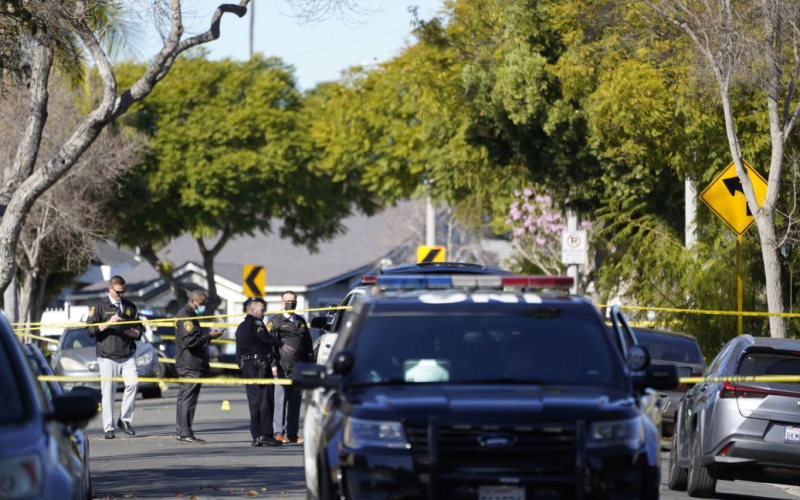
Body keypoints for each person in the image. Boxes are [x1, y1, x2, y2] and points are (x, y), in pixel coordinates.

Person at [86, 275, 144, 440]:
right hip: (108, 355)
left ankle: (124, 420)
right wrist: (109, 323)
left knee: (133, 384)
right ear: (110, 289)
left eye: (123, 292)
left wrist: (136, 333)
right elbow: (90, 331)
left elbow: (140, 328)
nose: (121, 295)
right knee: (108, 392)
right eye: (118, 292)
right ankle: (109, 427)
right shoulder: (99, 306)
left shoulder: (130, 306)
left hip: (127, 354)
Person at [174, 290, 223, 444]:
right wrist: (209, 336)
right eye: (201, 304)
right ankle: (185, 433)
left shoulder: (190, 315)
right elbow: (190, 342)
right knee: (188, 399)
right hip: (190, 363)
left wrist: (208, 337)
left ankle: (182, 432)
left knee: (184, 398)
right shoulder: (186, 317)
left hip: (189, 362)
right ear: (192, 301)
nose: (202, 307)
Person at [235, 298, 284, 447]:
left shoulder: (241, 327)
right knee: (266, 400)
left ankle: (256, 436)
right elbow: (265, 338)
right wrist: (281, 343)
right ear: (252, 310)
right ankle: (266, 435)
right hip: (260, 365)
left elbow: (238, 350)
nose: (264, 313)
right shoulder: (256, 323)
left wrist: (242, 365)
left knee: (254, 401)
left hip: (247, 365)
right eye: (262, 310)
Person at [270, 291, 314, 444]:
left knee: (295, 403)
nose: (290, 303)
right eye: (287, 300)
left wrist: (310, 364)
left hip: (298, 368)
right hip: (283, 367)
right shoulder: (275, 322)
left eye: (293, 300)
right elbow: (271, 347)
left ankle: (293, 434)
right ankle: (278, 433)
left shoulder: (301, 321)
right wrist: (274, 365)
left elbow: (308, 344)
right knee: (280, 401)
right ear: (281, 303)